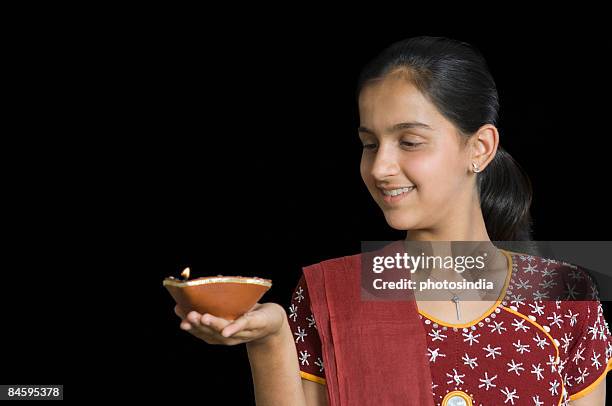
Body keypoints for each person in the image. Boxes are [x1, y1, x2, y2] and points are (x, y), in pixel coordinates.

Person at [172, 36, 611, 405]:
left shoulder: (563, 295)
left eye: (410, 141)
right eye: (369, 143)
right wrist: (268, 340)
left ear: (479, 148)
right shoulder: (330, 295)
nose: (380, 167)